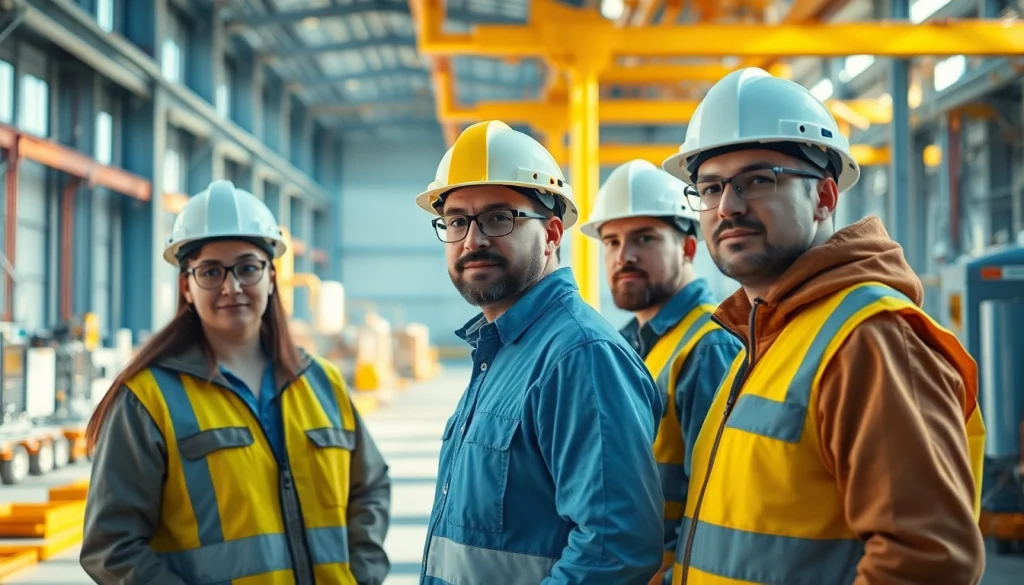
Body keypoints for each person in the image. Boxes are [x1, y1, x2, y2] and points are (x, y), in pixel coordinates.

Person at [659, 67, 987, 585]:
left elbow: (927, 561)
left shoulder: (869, 338)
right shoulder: (765, 337)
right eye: (711, 187)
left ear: (826, 197)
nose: (729, 206)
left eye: (758, 180)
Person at [80, 180, 392, 585]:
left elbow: (370, 486)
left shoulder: (323, 383)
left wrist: (361, 576)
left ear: (271, 277)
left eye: (247, 267)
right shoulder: (147, 400)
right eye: (211, 271)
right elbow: (112, 547)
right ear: (186, 287)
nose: (232, 287)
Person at [414, 120, 665, 584]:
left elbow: (617, 546)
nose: (472, 240)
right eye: (456, 221)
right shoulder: (500, 352)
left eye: (498, 218)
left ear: (552, 233)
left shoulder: (579, 357)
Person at [579, 159, 744, 584]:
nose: (624, 256)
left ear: (688, 248)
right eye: (611, 242)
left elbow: (716, 501)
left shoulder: (708, 346)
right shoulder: (631, 343)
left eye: (644, 238)